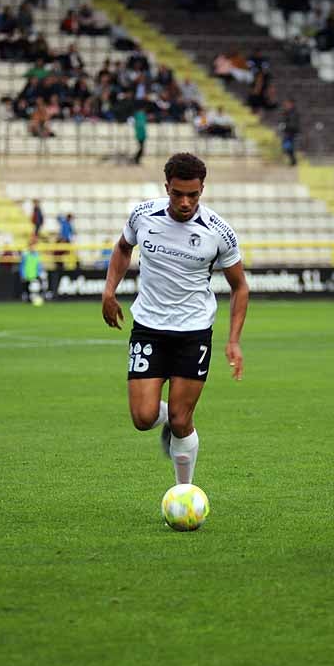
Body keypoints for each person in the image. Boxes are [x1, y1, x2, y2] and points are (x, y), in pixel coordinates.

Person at [101, 153, 249, 488]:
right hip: (149, 329)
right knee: (143, 418)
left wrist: (233, 340)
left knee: (183, 421)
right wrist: (110, 291)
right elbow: (123, 248)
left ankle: (184, 492)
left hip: (193, 333)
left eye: (193, 195)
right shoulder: (143, 215)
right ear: (166, 187)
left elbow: (239, 287)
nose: (185, 202)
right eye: (177, 193)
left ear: (202, 190)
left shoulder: (218, 232)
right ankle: (164, 416)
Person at [281, 99, 300, 166]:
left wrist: (285, 126)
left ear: (291, 104)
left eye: (287, 104)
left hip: (291, 133)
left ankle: (293, 161)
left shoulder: (293, 112)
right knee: (287, 147)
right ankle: (292, 161)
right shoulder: (287, 112)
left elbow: (293, 124)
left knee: (288, 147)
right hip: (288, 133)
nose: (286, 105)